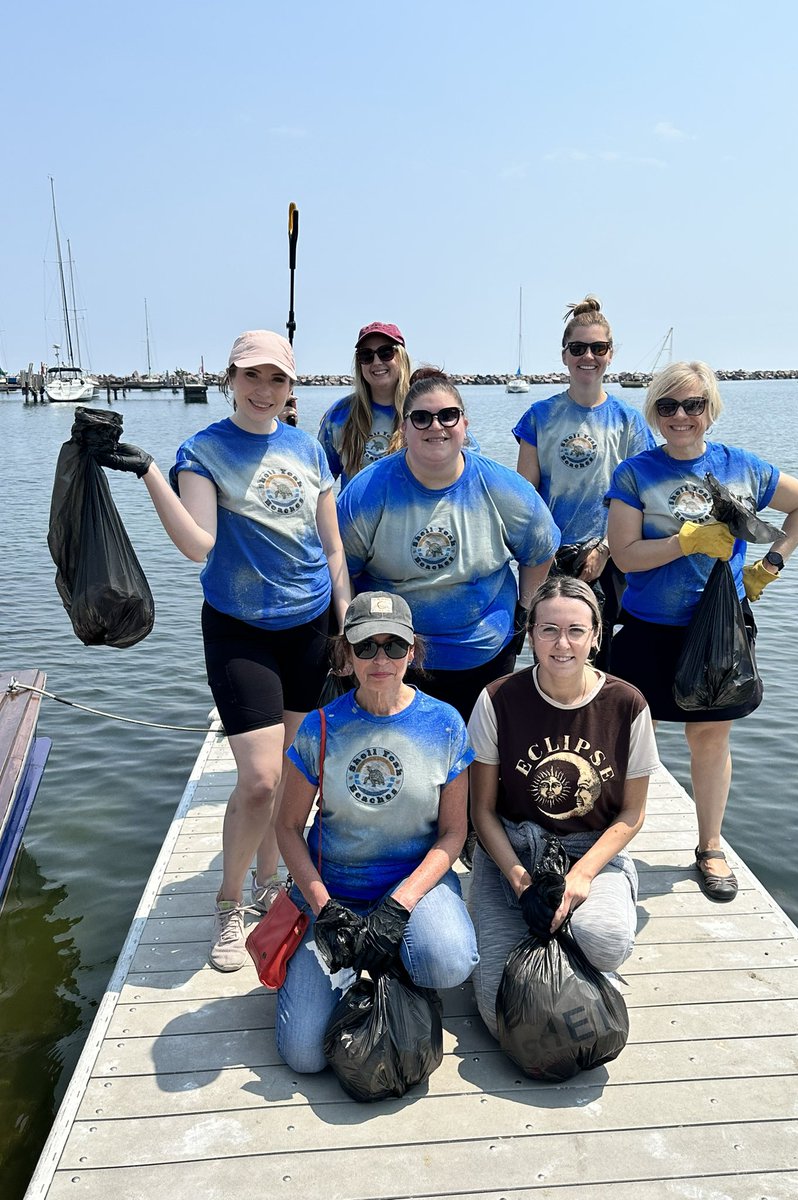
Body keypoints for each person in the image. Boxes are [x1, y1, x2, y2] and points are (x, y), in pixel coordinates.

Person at [97, 330, 351, 968]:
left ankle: (271, 881)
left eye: (277, 379)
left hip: (311, 625)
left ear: (292, 387)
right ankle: (229, 903)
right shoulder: (203, 450)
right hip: (240, 627)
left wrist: (346, 624)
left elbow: (333, 546)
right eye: (252, 376)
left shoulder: (308, 449)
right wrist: (152, 471)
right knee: (259, 780)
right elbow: (198, 545)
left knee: (292, 773)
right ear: (230, 380)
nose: (264, 390)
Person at [606, 360, 798, 901]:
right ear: (654, 411)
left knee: (710, 738)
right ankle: (609, 842)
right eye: (670, 406)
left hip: (719, 628)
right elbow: (626, 558)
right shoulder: (634, 474)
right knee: (629, 735)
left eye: (694, 405)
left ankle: (709, 846)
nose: (682, 416)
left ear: (710, 410)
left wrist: (769, 566)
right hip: (648, 625)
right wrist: (686, 542)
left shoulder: (742, 467)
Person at [273, 591, 479, 1073]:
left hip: (412, 888)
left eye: (393, 646)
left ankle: (394, 965)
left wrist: (399, 905)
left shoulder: (446, 724)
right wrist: (324, 908)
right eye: (365, 647)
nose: (380, 659)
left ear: (413, 652)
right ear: (346, 655)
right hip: (334, 892)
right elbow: (286, 828)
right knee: (304, 1056)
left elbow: (453, 834)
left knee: (448, 961)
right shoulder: (320, 726)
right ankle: (335, 963)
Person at [466, 576, 659, 1038]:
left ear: (596, 637)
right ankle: (544, 932)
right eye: (548, 629)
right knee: (500, 1012)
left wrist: (582, 876)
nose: (562, 643)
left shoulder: (627, 704)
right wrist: (520, 883)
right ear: (531, 634)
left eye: (576, 630)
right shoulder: (496, 700)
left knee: (608, 943)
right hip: (512, 851)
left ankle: (580, 951)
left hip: (592, 849)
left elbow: (631, 814)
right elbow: (482, 812)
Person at [337, 367, 560, 723]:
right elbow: (341, 568)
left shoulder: (502, 486)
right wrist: (350, 639)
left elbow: (540, 549)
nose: (436, 426)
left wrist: (525, 613)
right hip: (393, 658)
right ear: (404, 429)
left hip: (485, 652)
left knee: (481, 765)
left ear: (464, 424)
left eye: (448, 415)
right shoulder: (368, 491)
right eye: (421, 418)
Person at [514, 295, 656, 667]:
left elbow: (642, 499)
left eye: (598, 348)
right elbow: (523, 498)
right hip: (551, 560)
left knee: (601, 663)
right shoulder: (539, 417)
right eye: (578, 348)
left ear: (611, 354)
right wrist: (540, 555)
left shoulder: (628, 421)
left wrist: (607, 549)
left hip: (610, 560)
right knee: (552, 660)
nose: (587, 356)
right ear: (564, 355)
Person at [317, 322, 412, 489]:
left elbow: (465, 463)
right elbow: (319, 482)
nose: (376, 362)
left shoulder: (426, 410)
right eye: (366, 355)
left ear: (401, 357)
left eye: (386, 352)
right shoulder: (339, 415)